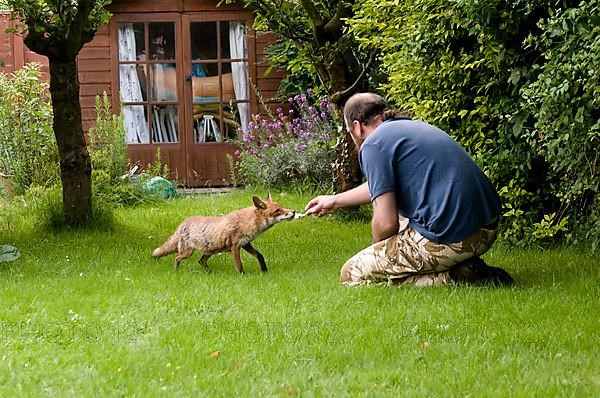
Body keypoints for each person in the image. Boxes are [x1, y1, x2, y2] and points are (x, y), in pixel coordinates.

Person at [304, 92, 514, 287]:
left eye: (350, 132)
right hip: (486, 226)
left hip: (455, 239)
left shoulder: (373, 145)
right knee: (403, 216)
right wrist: (335, 200)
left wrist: (380, 254)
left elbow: (386, 223)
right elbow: (380, 186)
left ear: (357, 126)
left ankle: (458, 277)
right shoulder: (406, 129)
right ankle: (465, 265)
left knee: (352, 273)